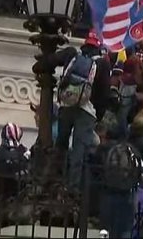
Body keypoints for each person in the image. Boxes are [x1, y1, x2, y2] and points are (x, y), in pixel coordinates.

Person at [36, 30, 112, 187]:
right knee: (79, 150)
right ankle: (72, 189)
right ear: (99, 47)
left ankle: (52, 180)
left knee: (61, 144)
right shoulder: (103, 64)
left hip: (66, 105)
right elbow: (104, 94)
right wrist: (98, 115)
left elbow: (49, 61)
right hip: (87, 111)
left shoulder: (72, 54)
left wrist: (40, 65)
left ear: (85, 44)